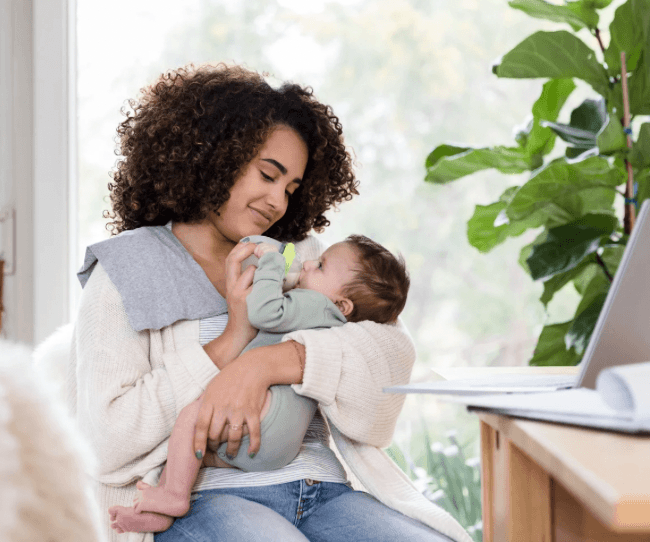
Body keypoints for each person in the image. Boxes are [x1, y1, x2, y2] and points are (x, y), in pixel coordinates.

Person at [68, 63, 472, 542]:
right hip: (206, 499)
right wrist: (231, 342)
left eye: (291, 188)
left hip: (324, 490)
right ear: (214, 155)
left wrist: (267, 365)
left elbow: (390, 356)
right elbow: (106, 440)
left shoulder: (301, 258)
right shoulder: (127, 271)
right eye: (268, 174)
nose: (278, 201)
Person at [107, 235, 410, 534]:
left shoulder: (314, 302)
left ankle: (173, 495)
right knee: (197, 447)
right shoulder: (330, 310)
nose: (305, 264)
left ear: (343, 305)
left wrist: (273, 265)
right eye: (267, 180)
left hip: (273, 435)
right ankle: (164, 508)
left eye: (318, 266)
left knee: (190, 421)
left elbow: (265, 311)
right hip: (275, 446)